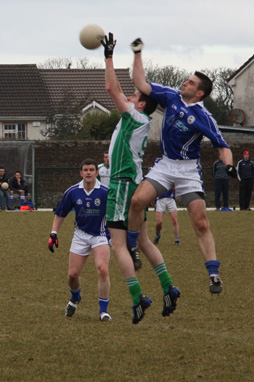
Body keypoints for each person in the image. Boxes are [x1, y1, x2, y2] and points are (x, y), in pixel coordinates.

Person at [127, 37, 237, 295]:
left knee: (200, 222)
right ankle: (132, 247)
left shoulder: (203, 117)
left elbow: (222, 146)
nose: (184, 83)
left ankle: (213, 274)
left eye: (190, 82)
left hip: (188, 170)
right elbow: (140, 83)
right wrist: (138, 52)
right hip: (165, 165)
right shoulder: (170, 97)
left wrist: (229, 166)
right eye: (186, 79)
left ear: (199, 93)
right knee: (136, 202)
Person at [102, 33, 179, 324]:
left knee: (119, 245)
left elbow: (112, 88)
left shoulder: (134, 117)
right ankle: (168, 286)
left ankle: (138, 298)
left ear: (142, 105)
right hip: (133, 184)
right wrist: (135, 54)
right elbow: (122, 89)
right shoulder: (137, 119)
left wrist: (108, 56)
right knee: (144, 242)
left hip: (121, 185)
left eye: (134, 98)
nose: (128, 98)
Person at [48, 158, 112, 322]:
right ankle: (75, 298)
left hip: (100, 235)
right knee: (72, 275)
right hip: (80, 236)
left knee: (103, 269)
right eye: (86, 170)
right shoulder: (72, 191)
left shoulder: (105, 192)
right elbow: (61, 213)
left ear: (96, 172)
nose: (89, 172)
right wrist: (53, 233)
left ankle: (103, 311)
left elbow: (116, 215)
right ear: (81, 172)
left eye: (91, 169)